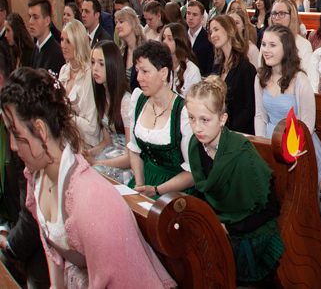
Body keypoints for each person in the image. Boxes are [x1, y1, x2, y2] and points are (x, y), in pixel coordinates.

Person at [1, 66, 176, 287]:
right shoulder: (37, 176)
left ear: (40, 130)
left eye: (15, 134)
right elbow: (51, 250)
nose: (12, 146)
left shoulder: (91, 199)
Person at [185, 77, 284, 284]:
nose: (197, 128)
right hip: (219, 220)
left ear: (222, 119)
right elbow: (204, 192)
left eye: (205, 120)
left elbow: (269, 210)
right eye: (191, 118)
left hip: (249, 227)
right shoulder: (196, 145)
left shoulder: (242, 153)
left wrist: (229, 228)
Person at [255, 26, 321, 182]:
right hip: (270, 139)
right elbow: (260, 116)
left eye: (272, 45)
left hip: (297, 143)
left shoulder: (300, 80)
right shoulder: (260, 77)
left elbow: (307, 124)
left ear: (286, 48)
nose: (266, 50)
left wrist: (291, 150)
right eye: (264, 44)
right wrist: (262, 146)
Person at [126, 41, 194, 198]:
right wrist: (139, 185)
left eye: (145, 71)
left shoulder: (183, 112)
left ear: (163, 73)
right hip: (144, 180)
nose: (139, 78)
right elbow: (135, 150)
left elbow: (192, 173)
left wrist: (157, 190)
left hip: (174, 190)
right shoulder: (138, 100)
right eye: (137, 71)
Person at [87, 41, 133, 184]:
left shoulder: (125, 102)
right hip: (110, 154)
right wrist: (88, 153)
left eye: (101, 64)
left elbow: (130, 157)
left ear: (112, 66)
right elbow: (107, 141)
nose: (95, 68)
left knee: (93, 175)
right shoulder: (103, 96)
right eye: (93, 62)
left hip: (125, 165)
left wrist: (96, 163)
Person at [207, 15, 256, 135]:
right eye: (211, 32)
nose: (212, 35)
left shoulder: (246, 68)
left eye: (216, 29)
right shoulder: (217, 67)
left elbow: (250, 108)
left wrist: (230, 132)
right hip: (221, 131)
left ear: (229, 29)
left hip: (239, 134)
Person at [57, 20, 101, 150]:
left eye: (68, 41)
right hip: (65, 138)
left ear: (78, 43)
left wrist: (65, 116)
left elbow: (92, 128)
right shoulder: (64, 70)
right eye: (62, 40)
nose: (63, 45)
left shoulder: (90, 75)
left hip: (86, 144)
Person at [265, 0, 318, 92]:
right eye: (274, 13)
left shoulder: (303, 45)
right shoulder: (266, 43)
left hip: (294, 91)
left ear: (291, 17)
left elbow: (305, 77)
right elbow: (263, 72)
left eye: (282, 13)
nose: (277, 17)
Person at [162, 23, 202, 98]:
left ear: (179, 42)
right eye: (164, 38)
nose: (164, 42)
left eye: (169, 39)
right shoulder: (162, 65)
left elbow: (196, 99)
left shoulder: (192, 70)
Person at [27, 0, 62, 76]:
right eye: (30, 16)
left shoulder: (57, 54)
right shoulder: (36, 48)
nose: (30, 21)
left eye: (35, 17)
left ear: (47, 21)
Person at [227, 1, 260, 67]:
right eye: (231, 23)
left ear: (244, 26)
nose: (233, 26)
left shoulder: (252, 49)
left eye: (237, 23)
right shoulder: (225, 46)